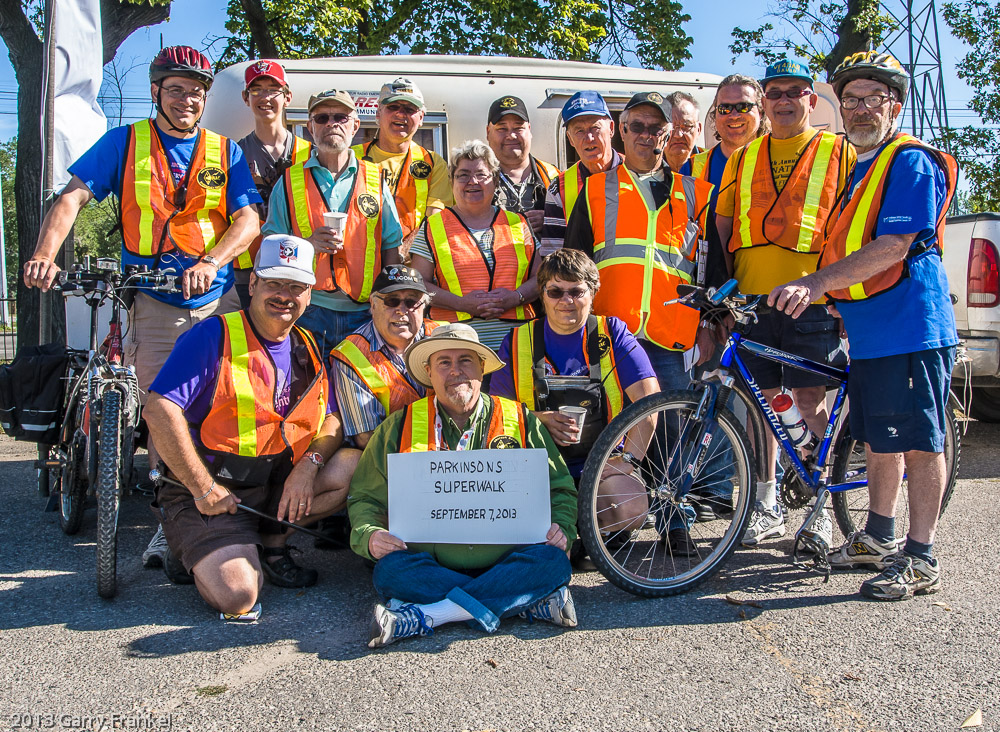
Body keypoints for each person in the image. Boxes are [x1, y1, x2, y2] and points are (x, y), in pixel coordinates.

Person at [21, 46, 262, 570]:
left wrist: (213, 258)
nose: (187, 99)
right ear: (156, 92)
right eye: (175, 89)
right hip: (155, 298)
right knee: (164, 411)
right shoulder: (125, 142)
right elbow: (72, 198)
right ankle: (166, 522)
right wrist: (44, 255)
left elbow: (247, 223)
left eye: (196, 91)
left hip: (217, 295)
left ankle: (226, 510)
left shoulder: (226, 151)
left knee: (228, 404)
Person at [768, 52, 958, 600]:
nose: (859, 110)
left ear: (895, 105)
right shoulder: (862, 169)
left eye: (872, 98)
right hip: (872, 331)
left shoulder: (908, 161)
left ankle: (920, 556)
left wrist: (816, 283)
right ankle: (877, 536)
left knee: (920, 443)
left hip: (910, 328)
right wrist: (837, 299)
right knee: (879, 440)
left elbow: (894, 245)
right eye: (849, 100)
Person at [144, 234, 348, 618]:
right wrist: (203, 488)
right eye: (273, 283)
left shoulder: (308, 342)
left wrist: (309, 466)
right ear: (252, 283)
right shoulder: (212, 335)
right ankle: (194, 544)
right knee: (239, 597)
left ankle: (270, 545)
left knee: (349, 466)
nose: (284, 295)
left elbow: (332, 416)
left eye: (296, 286)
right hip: (212, 489)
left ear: (310, 293)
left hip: (274, 483)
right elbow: (158, 410)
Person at [348, 323, 578, 648]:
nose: (455, 371)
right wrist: (370, 535)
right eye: (444, 362)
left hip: (509, 556)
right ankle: (524, 601)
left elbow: (561, 490)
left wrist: (562, 528)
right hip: (430, 562)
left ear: (482, 367)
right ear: (429, 371)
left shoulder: (521, 419)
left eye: (466, 361)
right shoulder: (397, 426)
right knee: (390, 571)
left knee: (554, 561)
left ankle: (431, 615)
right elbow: (364, 497)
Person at [563, 92, 718, 553]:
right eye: (637, 126)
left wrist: (711, 324)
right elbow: (573, 264)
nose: (646, 135)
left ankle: (673, 521)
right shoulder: (593, 191)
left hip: (671, 333)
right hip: (611, 333)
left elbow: (712, 267)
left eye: (656, 128)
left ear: (668, 134)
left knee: (669, 431)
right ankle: (606, 523)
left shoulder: (695, 194)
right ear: (622, 131)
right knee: (607, 427)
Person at [715, 59, 855, 548]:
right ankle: (768, 502)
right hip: (755, 299)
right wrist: (726, 286)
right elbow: (725, 225)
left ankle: (820, 505)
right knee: (763, 409)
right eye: (774, 92)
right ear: (765, 101)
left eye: (795, 91)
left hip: (810, 299)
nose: (784, 100)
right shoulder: (742, 156)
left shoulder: (840, 151)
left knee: (810, 401)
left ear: (812, 100)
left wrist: (840, 291)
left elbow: (850, 227)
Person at [491, 249, 659, 538]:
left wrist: (627, 461)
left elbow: (650, 405)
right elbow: (496, 413)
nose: (566, 301)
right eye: (555, 292)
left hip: (601, 463)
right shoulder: (517, 340)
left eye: (576, 291)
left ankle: (594, 530)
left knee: (631, 508)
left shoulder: (613, 333)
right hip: (539, 467)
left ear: (592, 293)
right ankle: (573, 531)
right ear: (541, 295)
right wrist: (539, 420)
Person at [263, 88, 403, 353]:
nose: (331, 124)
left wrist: (390, 304)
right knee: (309, 387)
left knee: (364, 389)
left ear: (355, 125)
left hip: (366, 312)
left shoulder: (376, 179)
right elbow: (271, 248)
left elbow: (390, 248)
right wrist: (307, 245)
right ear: (310, 127)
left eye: (340, 117)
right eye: (322, 118)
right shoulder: (289, 182)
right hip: (308, 310)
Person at [410, 140, 539, 352]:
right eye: (463, 175)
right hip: (455, 341)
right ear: (452, 181)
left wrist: (514, 298)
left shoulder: (518, 223)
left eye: (481, 174)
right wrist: (460, 304)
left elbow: (541, 279)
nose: (472, 181)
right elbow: (419, 285)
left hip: (517, 343)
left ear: (495, 180)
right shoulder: (433, 226)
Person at [327, 265, 438, 491]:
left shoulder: (443, 337)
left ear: (424, 307)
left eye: (412, 301)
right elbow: (366, 437)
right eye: (391, 301)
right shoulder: (350, 354)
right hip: (387, 465)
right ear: (372, 304)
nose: (402, 310)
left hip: (447, 458)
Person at [235, 59, 312, 308]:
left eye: (272, 90)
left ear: (287, 97)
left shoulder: (310, 155)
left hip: (298, 269)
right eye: (257, 90)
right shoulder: (233, 154)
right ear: (246, 98)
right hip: (248, 271)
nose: (265, 97)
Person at [688, 75, 770, 290]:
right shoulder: (691, 168)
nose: (734, 115)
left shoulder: (780, 162)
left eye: (743, 107)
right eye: (724, 109)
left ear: (761, 112)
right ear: (715, 116)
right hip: (709, 289)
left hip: (765, 287)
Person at [351, 78, 452, 251]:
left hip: (411, 265)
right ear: (378, 113)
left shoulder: (434, 163)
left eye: (409, 109)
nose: (400, 114)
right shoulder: (351, 157)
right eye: (393, 107)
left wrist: (403, 252)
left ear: (421, 118)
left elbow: (436, 220)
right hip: (360, 260)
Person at [540, 91, 623, 255]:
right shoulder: (559, 188)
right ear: (570, 139)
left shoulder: (637, 173)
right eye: (579, 131)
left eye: (595, 127)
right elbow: (552, 256)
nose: (589, 137)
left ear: (611, 129)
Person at [485, 95, 560, 236]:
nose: (511, 135)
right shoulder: (475, 179)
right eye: (502, 129)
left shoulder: (554, 176)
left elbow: (575, 223)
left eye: (518, 128)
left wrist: (550, 219)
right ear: (488, 133)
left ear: (529, 130)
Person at [665, 91, 703, 175]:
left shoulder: (712, 164)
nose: (678, 135)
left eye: (686, 126)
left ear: (699, 129)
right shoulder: (647, 168)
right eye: (671, 127)